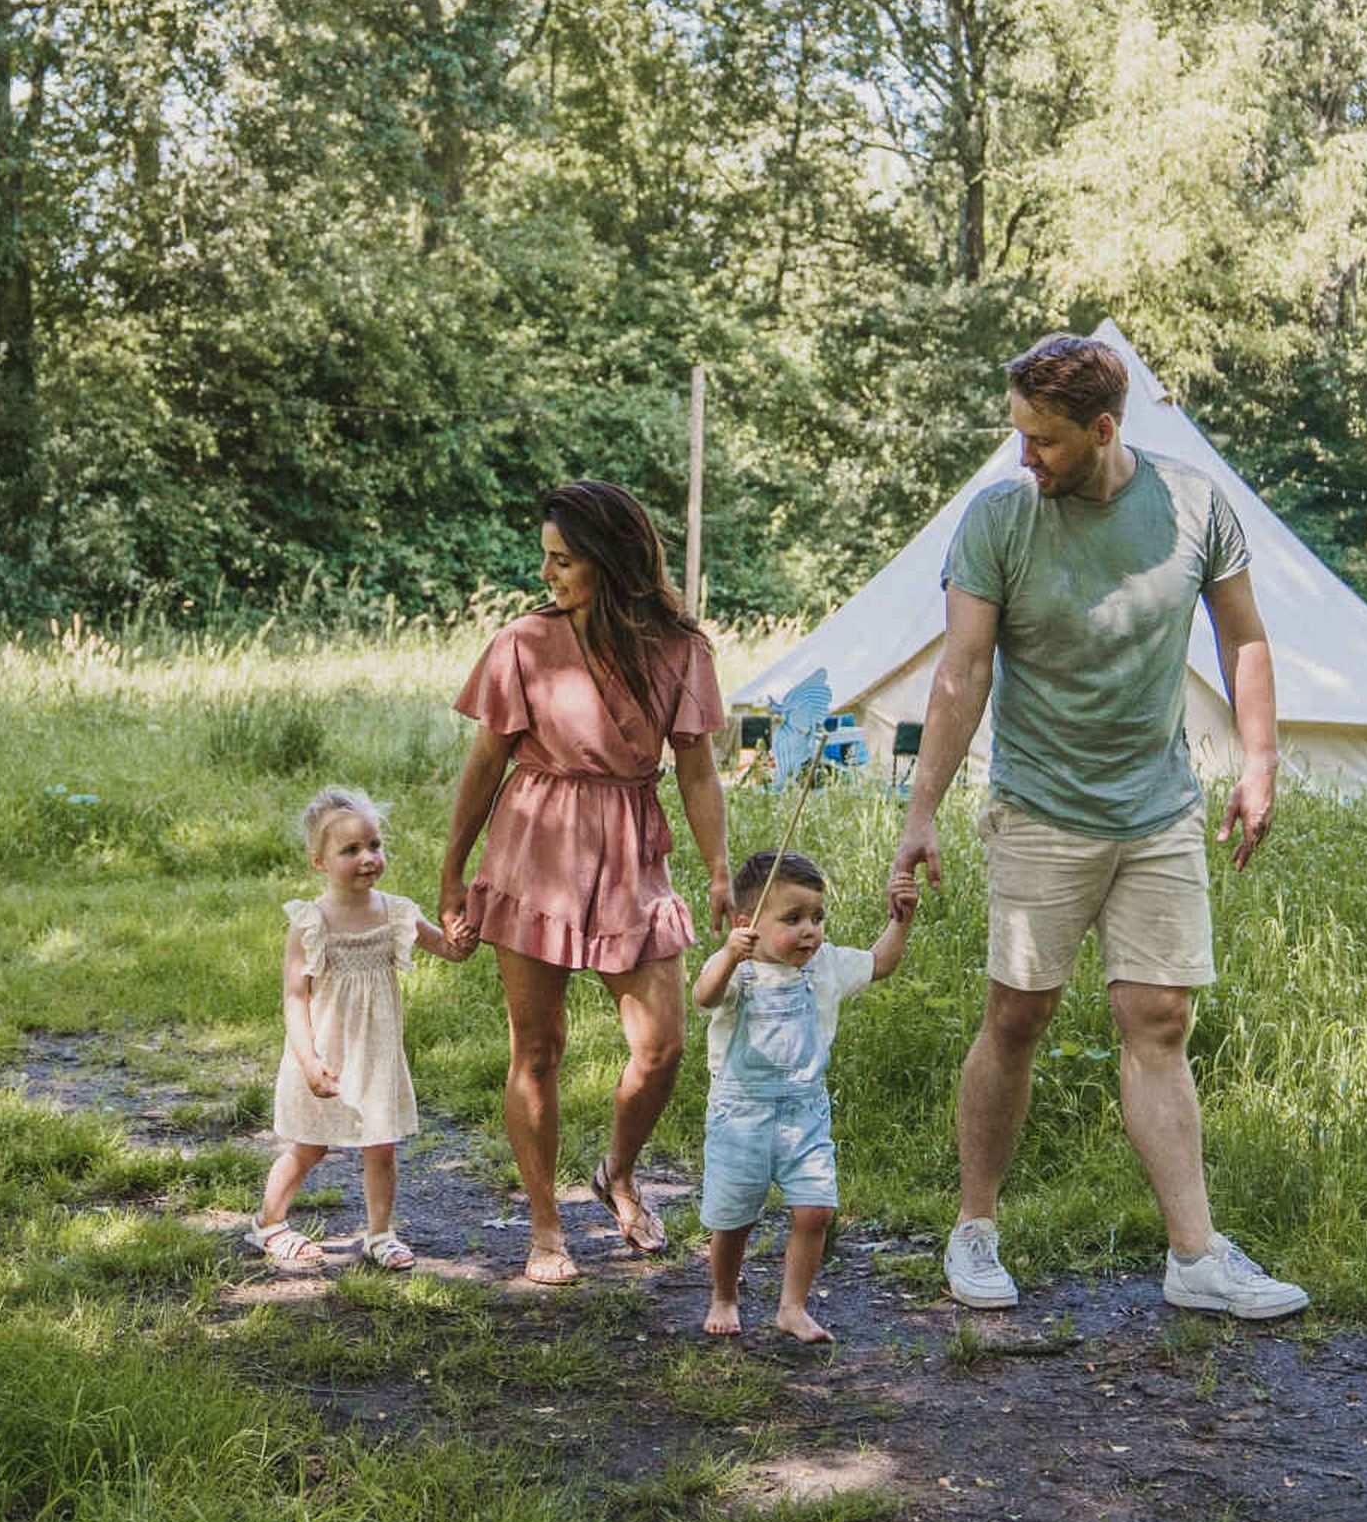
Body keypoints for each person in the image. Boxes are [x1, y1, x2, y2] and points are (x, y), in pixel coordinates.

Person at [890, 333, 1309, 1321]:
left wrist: (1259, 763)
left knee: (1159, 1021)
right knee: (1016, 1018)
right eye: (1019, 435)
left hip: (1158, 810)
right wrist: (921, 811)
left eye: (1043, 439)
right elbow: (963, 671)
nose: (1024, 455)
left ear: (1104, 429)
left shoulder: (1194, 506)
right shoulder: (999, 518)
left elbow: (1244, 637)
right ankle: (975, 1228)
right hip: (1039, 808)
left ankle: (1195, 1256)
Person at [438, 480, 734, 1284]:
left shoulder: (681, 649)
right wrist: (453, 871)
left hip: (631, 847)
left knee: (661, 1046)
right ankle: (545, 1226)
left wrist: (717, 868)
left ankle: (617, 1173)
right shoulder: (523, 644)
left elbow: (698, 770)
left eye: (563, 560)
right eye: (547, 558)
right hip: (535, 845)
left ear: (610, 560)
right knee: (537, 1047)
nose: (547, 574)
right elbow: (485, 763)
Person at [691, 848, 914, 1343]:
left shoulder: (826, 965)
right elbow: (704, 996)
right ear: (747, 924)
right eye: (793, 919)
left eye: (817, 917)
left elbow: (880, 963)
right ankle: (724, 1296)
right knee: (734, 1219)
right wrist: (728, 954)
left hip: (804, 1114)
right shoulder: (737, 969)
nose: (810, 930)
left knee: (816, 1211)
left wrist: (901, 920)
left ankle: (792, 1307)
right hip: (740, 1115)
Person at [253, 785, 469, 1271]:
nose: (368, 857)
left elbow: (450, 950)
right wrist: (309, 1061)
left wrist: (464, 930)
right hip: (325, 1053)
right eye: (350, 850)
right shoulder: (311, 922)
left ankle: (380, 1234)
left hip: (376, 1054)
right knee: (309, 1145)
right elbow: (295, 998)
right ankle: (269, 1224)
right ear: (319, 862)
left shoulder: (396, 913)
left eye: (374, 845)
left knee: (382, 1146)